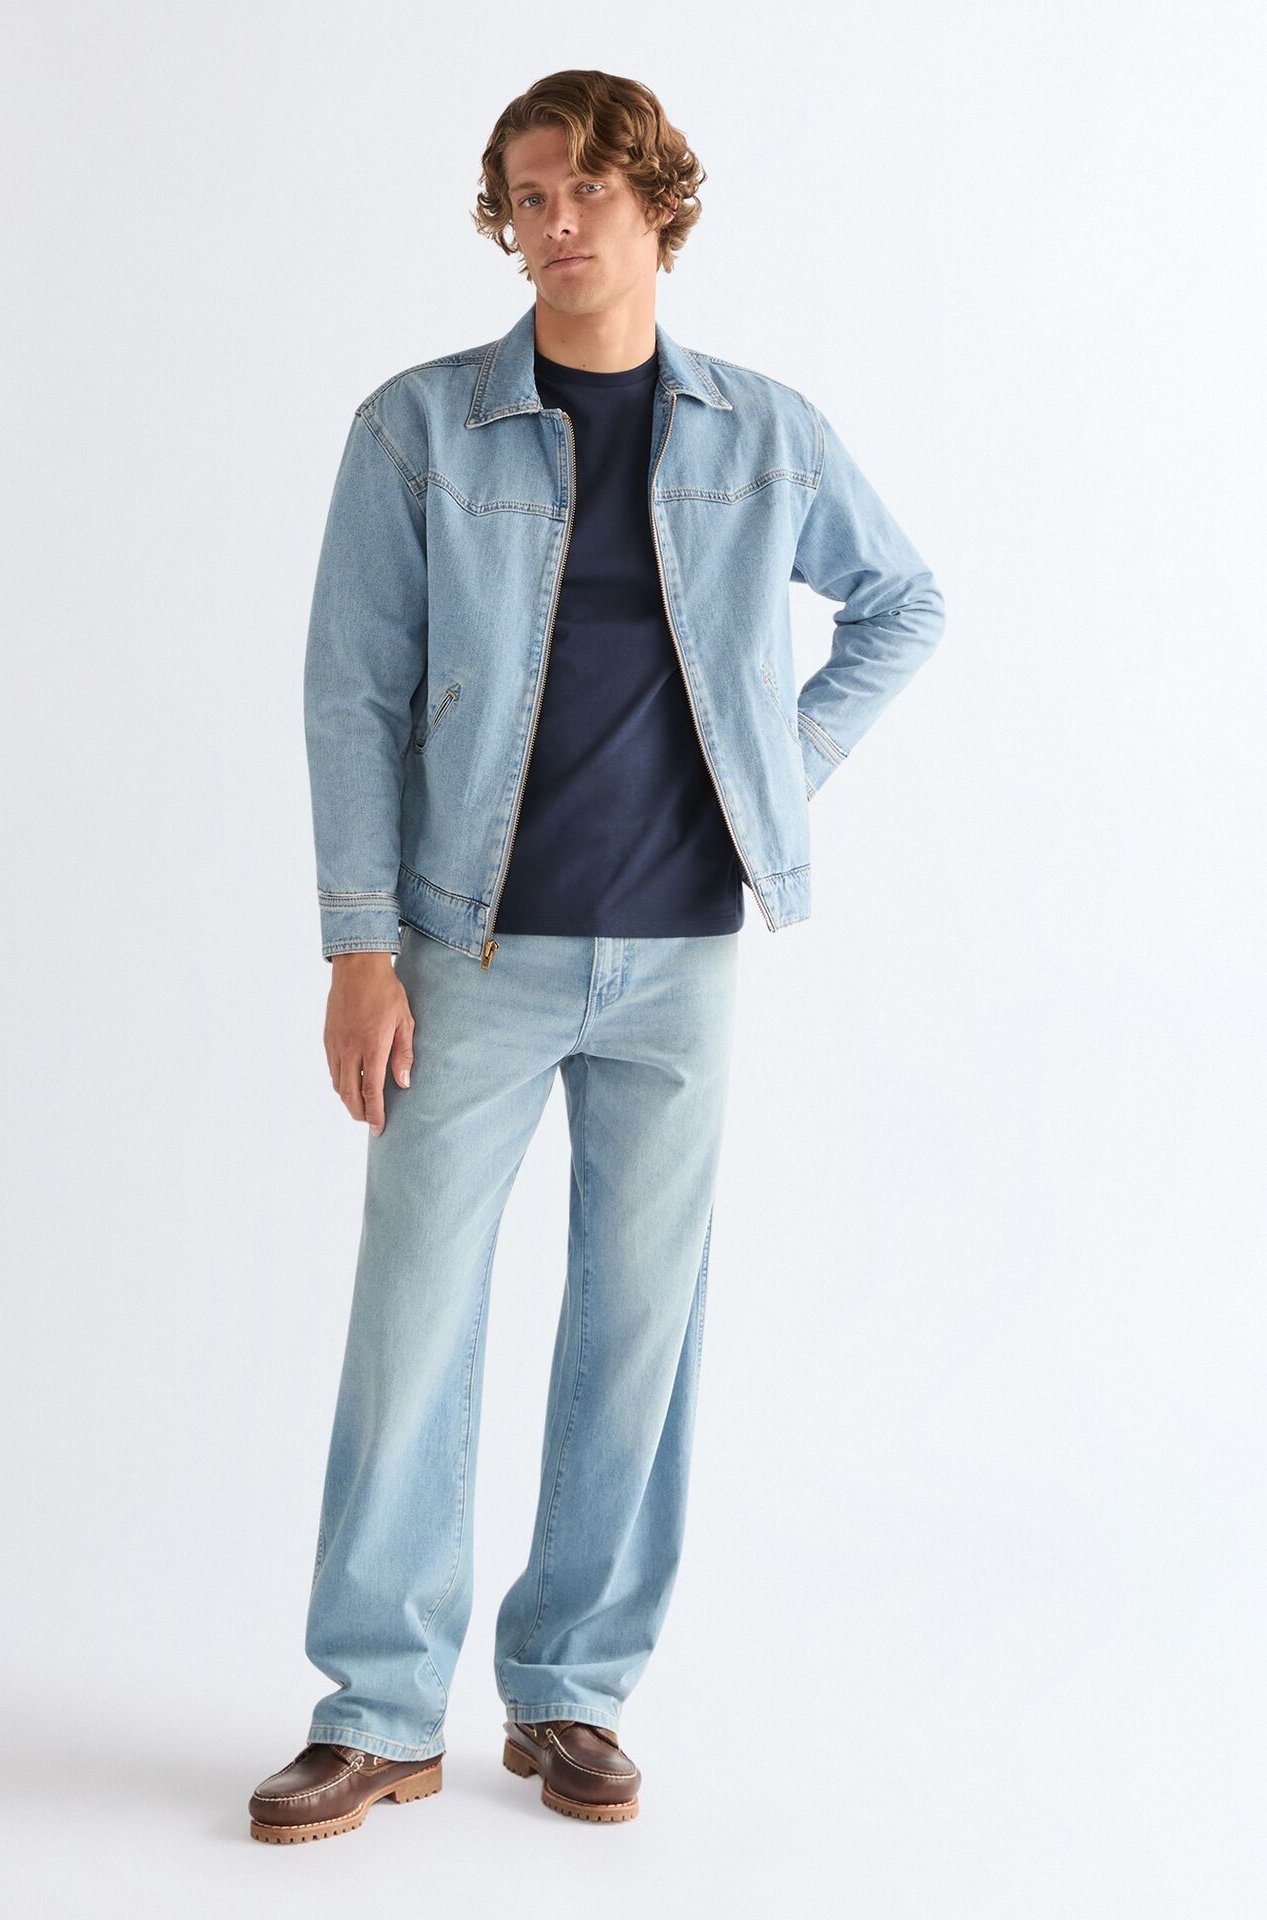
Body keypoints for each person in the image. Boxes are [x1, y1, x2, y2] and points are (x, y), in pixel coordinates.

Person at [248, 66, 945, 1844]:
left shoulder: (765, 432)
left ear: (656, 205)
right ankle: (377, 1710)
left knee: (639, 1336)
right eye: (529, 195)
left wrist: (775, 772)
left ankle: (571, 1691)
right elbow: (352, 694)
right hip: (468, 954)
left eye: (588, 191)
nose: (556, 223)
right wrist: (359, 944)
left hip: (681, 964)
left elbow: (903, 603)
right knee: (413, 1327)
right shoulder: (419, 429)